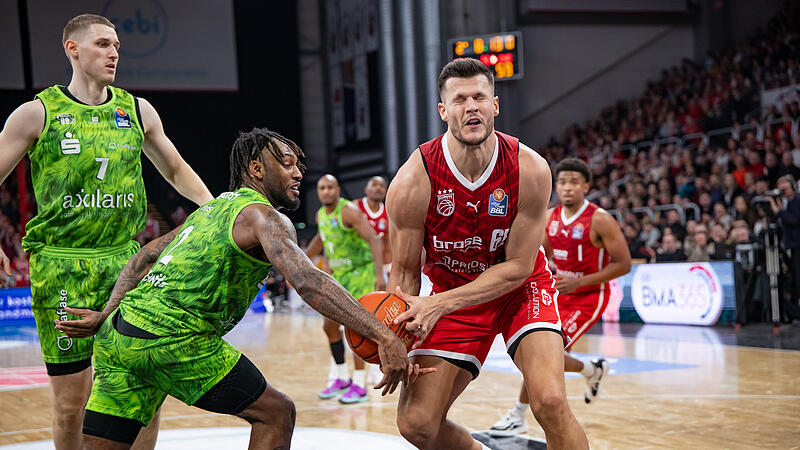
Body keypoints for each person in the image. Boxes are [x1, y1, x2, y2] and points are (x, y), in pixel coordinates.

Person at [54, 127, 428, 449]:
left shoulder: (209, 211)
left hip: (118, 335)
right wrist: (381, 333)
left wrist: (108, 311)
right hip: (172, 337)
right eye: (287, 163)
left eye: (299, 164)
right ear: (256, 169)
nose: (299, 173)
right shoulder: (262, 215)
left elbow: (146, 255)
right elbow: (306, 279)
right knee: (276, 414)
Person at [0, 14, 213, 449]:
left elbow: (174, 168)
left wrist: (217, 210)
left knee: (145, 388)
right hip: (62, 268)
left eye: (116, 45)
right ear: (72, 49)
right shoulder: (37, 113)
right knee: (71, 402)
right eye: (101, 44)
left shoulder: (135, 110)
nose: (114, 52)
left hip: (126, 263)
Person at [386, 58, 589, 449]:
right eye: (460, 99)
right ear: (444, 111)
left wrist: (437, 305)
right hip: (453, 296)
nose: (471, 106)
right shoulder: (415, 179)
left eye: (479, 96)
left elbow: (517, 268)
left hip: (520, 289)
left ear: (495, 105)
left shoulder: (529, 168)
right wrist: (393, 334)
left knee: (548, 401)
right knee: (417, 424)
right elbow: (406, 274)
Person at [490, 157, 632, 437]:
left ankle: (519, 415)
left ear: (586, 187)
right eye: (563, 182)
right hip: (558, 291)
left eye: (574, 183)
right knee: (537, 351)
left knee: (545, 355)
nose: (567, 188)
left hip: (589, 296)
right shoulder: (550, 216)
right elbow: (537, 255)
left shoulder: (600, 219)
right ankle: (591, 368)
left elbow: (623, 264)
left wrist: (579, 282)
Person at [305, 174, 386, 403]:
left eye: (330, 187)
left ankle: (359, 384)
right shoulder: (321, 214)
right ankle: (341, 378)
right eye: (322, 188)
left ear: (338, 189)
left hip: (361, 273)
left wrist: (379, 275)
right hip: (338, 276)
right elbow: (321, 240)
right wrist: (300, 258)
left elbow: (374, 240)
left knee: (356, 328)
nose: (326, 191)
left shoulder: (348, 211)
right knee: (329, 326)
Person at [357, 175, 393, 279]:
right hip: (356, 264)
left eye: (382, 186)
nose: (378, 188)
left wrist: (387, 268)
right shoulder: (355, 206)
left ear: (385, 191)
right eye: (374, 185)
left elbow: (387, 246)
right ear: (366, 190)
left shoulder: (388, 213)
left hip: (377, 265)